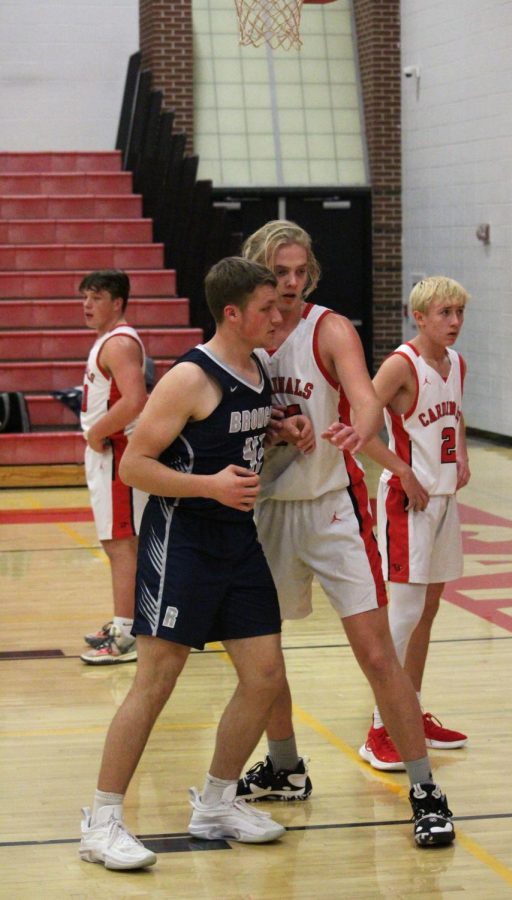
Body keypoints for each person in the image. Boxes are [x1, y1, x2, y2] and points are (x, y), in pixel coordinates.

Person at [79, 257, 314, 871]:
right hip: (181, 541)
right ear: (231, 313)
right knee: (155, 681)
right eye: (265, 307)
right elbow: (135, 465)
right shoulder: (189, 377)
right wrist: (209, 485)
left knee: (264, 677)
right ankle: (101, 820)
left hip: (236, 542)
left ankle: (216, 801)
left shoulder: (257, 366)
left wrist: (281, 431)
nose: (278, 314)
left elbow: (235, 439)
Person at [237, 220, 455, 848]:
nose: (293, 282)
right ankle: (284, 767)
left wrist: (359, 430)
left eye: (302, 271)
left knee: (378, 653)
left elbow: (363, 395)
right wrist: (278, 426)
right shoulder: (247, 333)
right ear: (258, 271)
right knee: (263, 658)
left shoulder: (327, 327)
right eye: (281, 272)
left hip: (334, 507)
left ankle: (424, 788)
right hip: (270, 510)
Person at [358, 276, 470, 772]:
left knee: (428, 610)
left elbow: (456, 417)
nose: (454, 322)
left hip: (444, 499)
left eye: (459, 312)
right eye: (444, 313)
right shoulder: (400, 365)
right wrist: (402, 470)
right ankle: (380, 727)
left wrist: (462, 453)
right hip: (408, 502)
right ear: (418, 316)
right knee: (402, 614)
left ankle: (411, 709)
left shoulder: (457, 363)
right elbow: (361, 429)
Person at [78, 269, 148, 665]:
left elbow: (135, 399)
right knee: (117, 543)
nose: (87, 305)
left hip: (117, 453)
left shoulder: (119, 343)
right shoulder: (110, 341)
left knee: (122, 544)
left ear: (117, 302)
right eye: (85, 297)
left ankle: (126, 634)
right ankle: (128, 621)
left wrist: (96, 432)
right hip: (109, 453)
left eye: (96, 297)